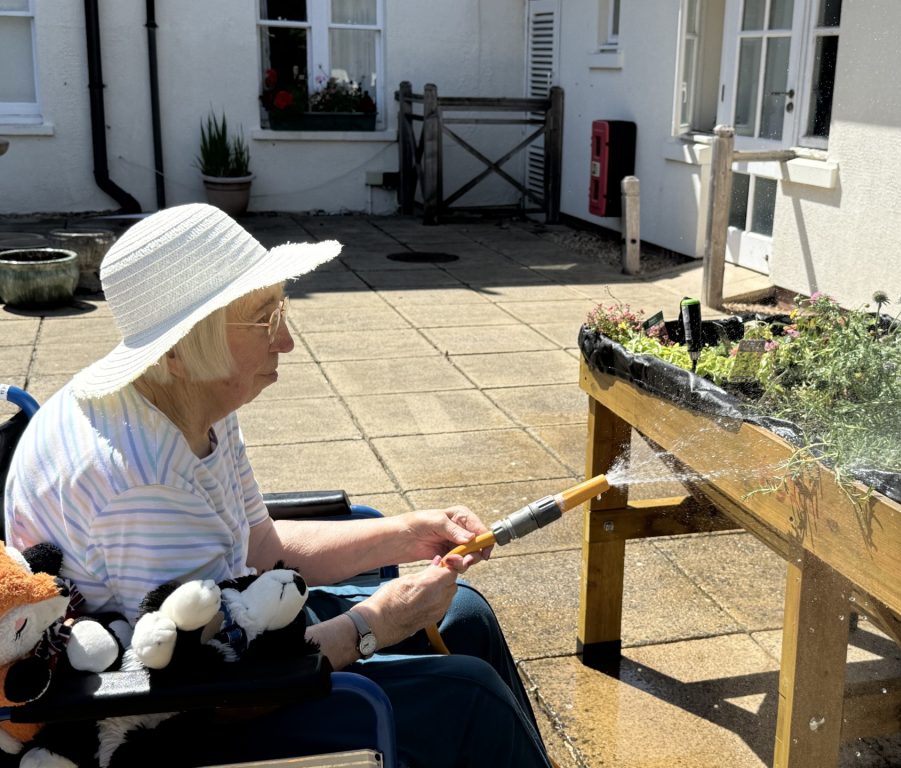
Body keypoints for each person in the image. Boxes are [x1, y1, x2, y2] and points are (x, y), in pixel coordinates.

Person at [4, 203, 553, 768]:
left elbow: (260, 550)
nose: (286, 340)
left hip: (232, 635)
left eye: (280, 309)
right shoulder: (142, 485)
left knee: (465, 614)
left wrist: (407, 534)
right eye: (264, 318)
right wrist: (376, 624)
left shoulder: (197, 398)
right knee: (471, 699)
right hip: (169, 721)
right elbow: (217, 693)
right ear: (179, 345)